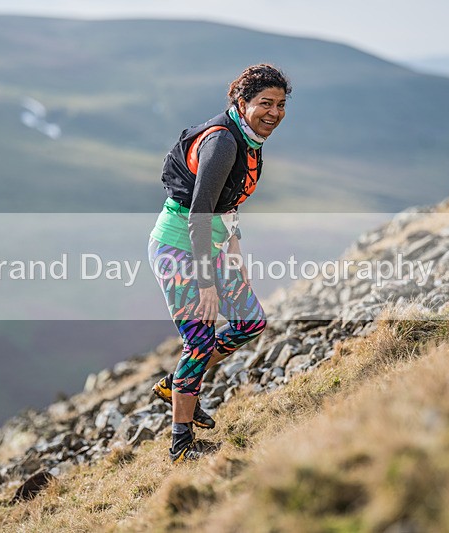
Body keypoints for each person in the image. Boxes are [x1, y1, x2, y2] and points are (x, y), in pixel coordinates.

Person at [147, 64, 291, 462]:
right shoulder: (224, 142)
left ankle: (176, 385)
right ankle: (181, 445)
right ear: (242, 102)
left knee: (250, 321)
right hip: (179, 249)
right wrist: (207, 283)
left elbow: (227, 204)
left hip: (210, 246)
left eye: (280, 105)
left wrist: (235, 254)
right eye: (265, 103)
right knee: (199, 341)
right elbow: (199, 212)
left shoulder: (247, 139)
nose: (274, 112)